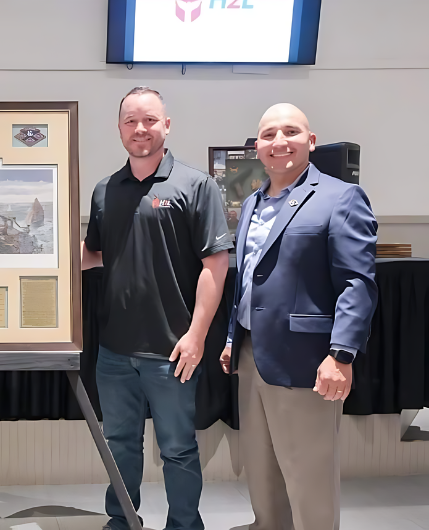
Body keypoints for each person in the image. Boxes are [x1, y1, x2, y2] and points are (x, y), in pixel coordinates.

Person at [220, 103, 377, 530]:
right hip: (252, 355)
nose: (279, 141)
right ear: (257, 147)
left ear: (311, 141)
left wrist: (341, 355)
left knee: (309, 481)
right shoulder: (251, 203)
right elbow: (249, 278)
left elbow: (357, 284)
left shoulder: (341, 197)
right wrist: (234, 338)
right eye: (268, 134)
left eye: (291, 131)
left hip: (307, 361)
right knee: (262, 473)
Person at [82, 86, 232, 530]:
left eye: (149, 120)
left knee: (178, 449)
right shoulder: (105, 190)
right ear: (119, 129)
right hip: (114, 352)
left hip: (173, 351)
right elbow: (94, 254)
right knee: (119, 444)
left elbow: (215, 265)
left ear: (166, 125)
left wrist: (196, 336)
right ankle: (122, 521)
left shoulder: (195, 185)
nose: (140, 129)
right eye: (131, 121)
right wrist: (35, 254)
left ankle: (184, 525)